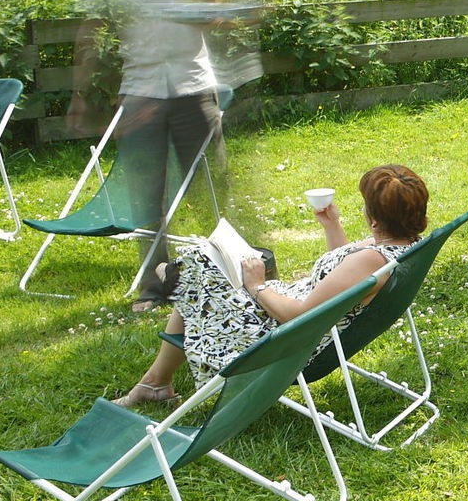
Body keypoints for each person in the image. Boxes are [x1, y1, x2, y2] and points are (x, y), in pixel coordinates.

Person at [112, 164, 428, 406]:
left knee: (192, 274)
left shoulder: (372, 260)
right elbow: (344, 279)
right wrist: (332, 225)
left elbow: (300, 317)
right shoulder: (399, 249)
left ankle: (154, 383)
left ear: (373, 219)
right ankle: (155, 383)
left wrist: (257, 285)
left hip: (283, 335)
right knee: (198, 276)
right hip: (289, 315)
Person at [78, 0, 237, 312]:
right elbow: (92, 30)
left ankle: (231, 273)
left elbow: (219, 8)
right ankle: (155, 285)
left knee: (211, 186)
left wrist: (198, 13)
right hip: (140, 90)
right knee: (146, 194)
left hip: (193, 84)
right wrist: (80, 95)